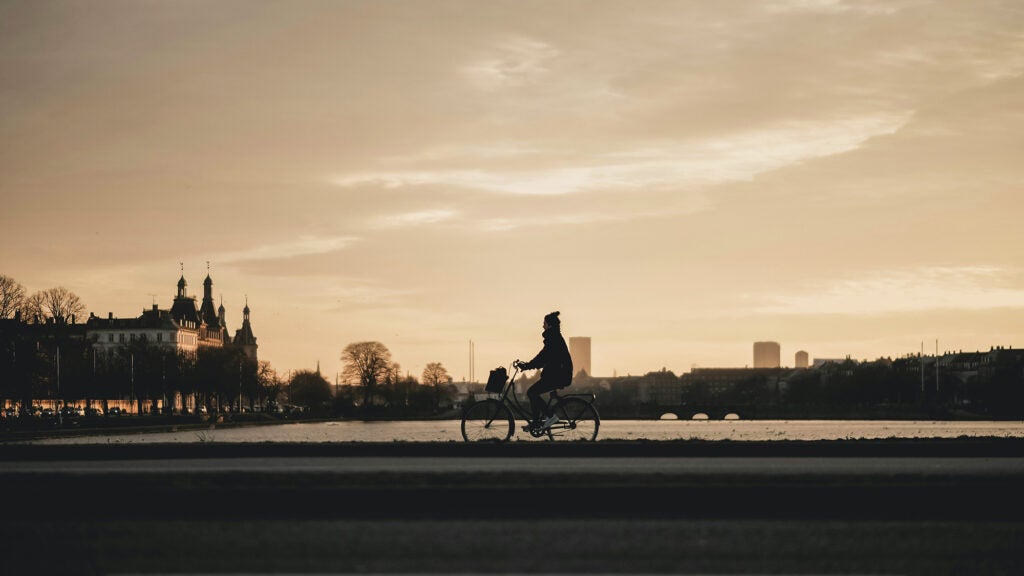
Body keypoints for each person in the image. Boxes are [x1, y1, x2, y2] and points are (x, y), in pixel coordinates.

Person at [515, 311, 573, 431]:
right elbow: (543, 356)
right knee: (533, 392)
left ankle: (550, 417)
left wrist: (527, 366)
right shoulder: (554, 337)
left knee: (532, 392)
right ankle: (536, 423)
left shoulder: (554, 338)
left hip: (559, 375)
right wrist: (528, 365)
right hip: (557, 374)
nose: (542, 325)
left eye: (544, 323)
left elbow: (543, 357)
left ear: (549, 325)